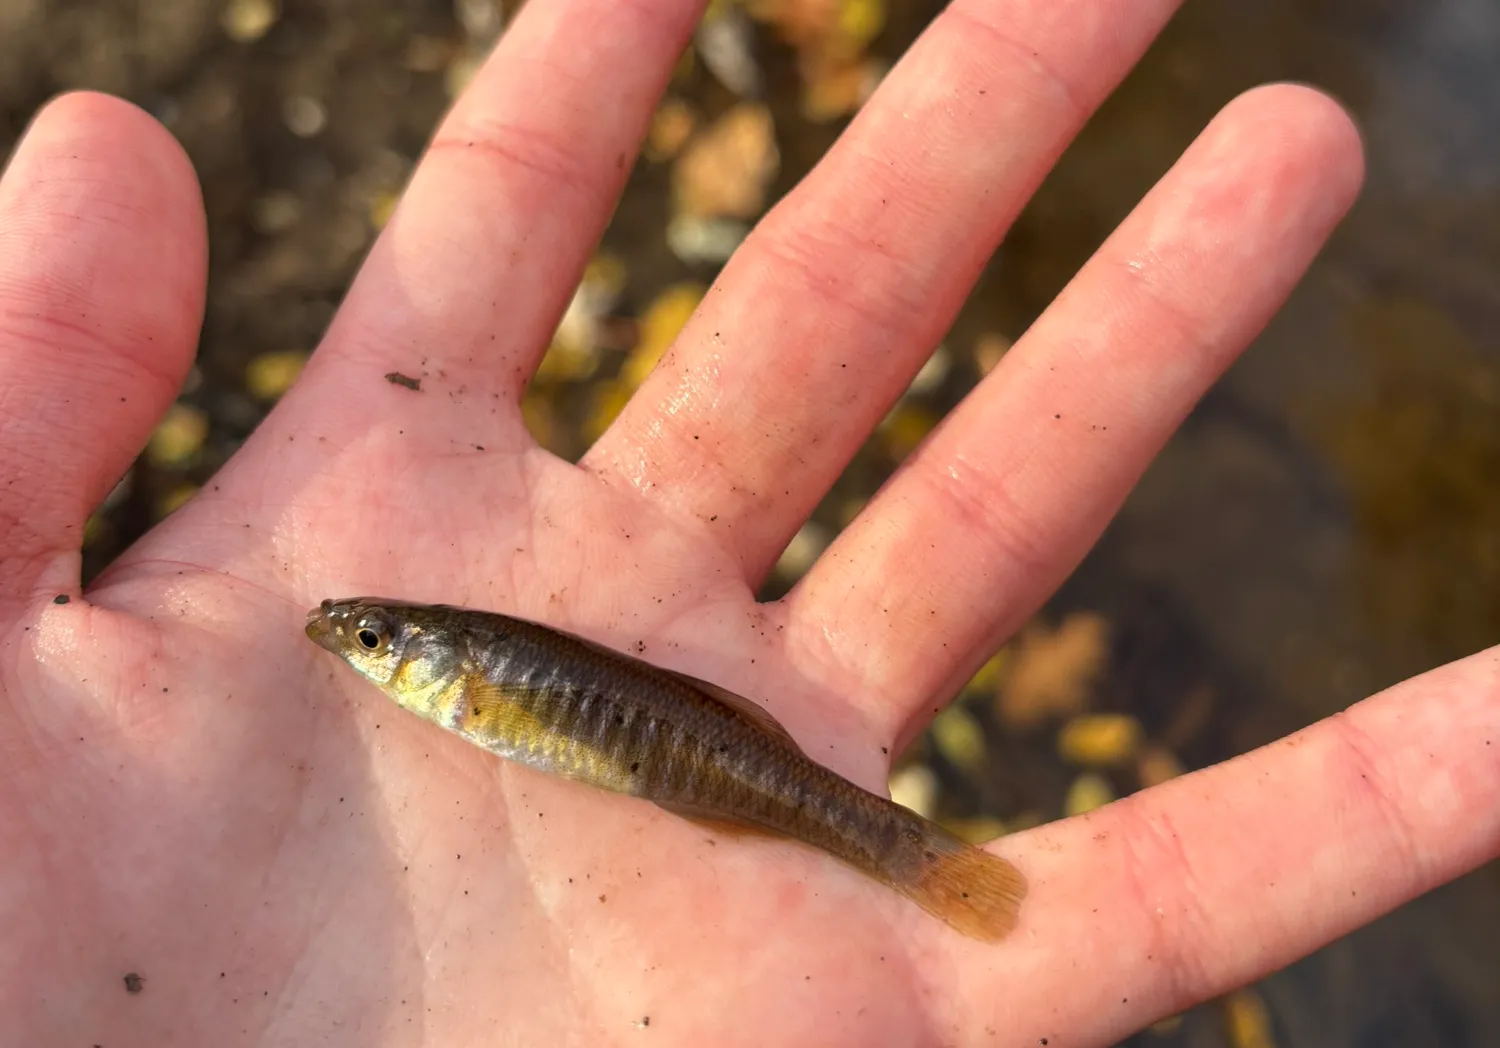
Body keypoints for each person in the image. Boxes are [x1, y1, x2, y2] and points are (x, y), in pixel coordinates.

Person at [0, 1, 1494, 1045]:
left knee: (776, 788)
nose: (363, 645)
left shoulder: (447, 674)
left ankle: (903, 853)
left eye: (380, 636)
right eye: (376, 639)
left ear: (423, 655)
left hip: (696, 754)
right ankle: (899, 854)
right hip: (686, 756)